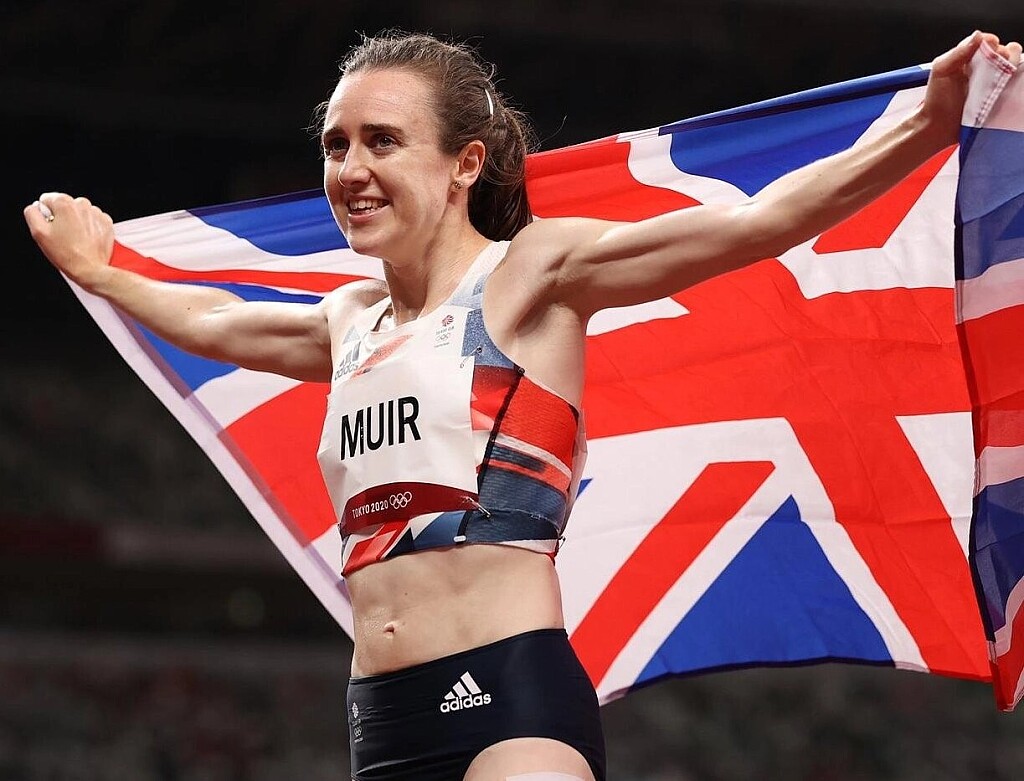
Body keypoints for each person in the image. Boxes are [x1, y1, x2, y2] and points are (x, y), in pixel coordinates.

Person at [24, 27, 1021, 781]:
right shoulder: (346, 322)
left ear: (465, 162)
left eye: (382, 140)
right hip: (379, 716)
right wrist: (102, 272)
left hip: (510, 698)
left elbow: (757, 223)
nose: (350, 170)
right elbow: (209, 321)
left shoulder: (531, 275)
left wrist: (925, 125)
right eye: (335, 144)